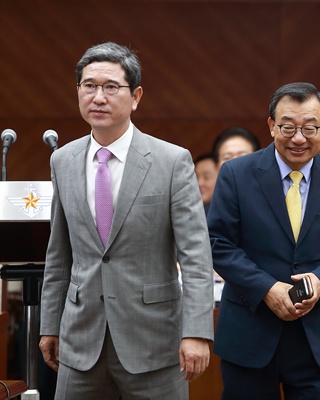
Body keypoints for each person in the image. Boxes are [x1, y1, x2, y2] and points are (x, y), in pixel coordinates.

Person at [38, 42, 214, 400]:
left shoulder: (172, 161)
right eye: (89, 86)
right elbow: (59, 253)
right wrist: (49, 325)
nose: (98, 97)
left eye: (110, 87)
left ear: (135, 96)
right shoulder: (63, 160)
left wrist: (196, 332)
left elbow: (196, 255)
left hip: (153, 344)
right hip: (80, 341)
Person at [207, 82, 320, 399]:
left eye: (310, 128)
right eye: (287, 127)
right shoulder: (236, 174)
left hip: (316, 341)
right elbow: (219, 244)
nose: (298, 138)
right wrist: (267, 289)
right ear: (271, 126)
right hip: (249, 334)